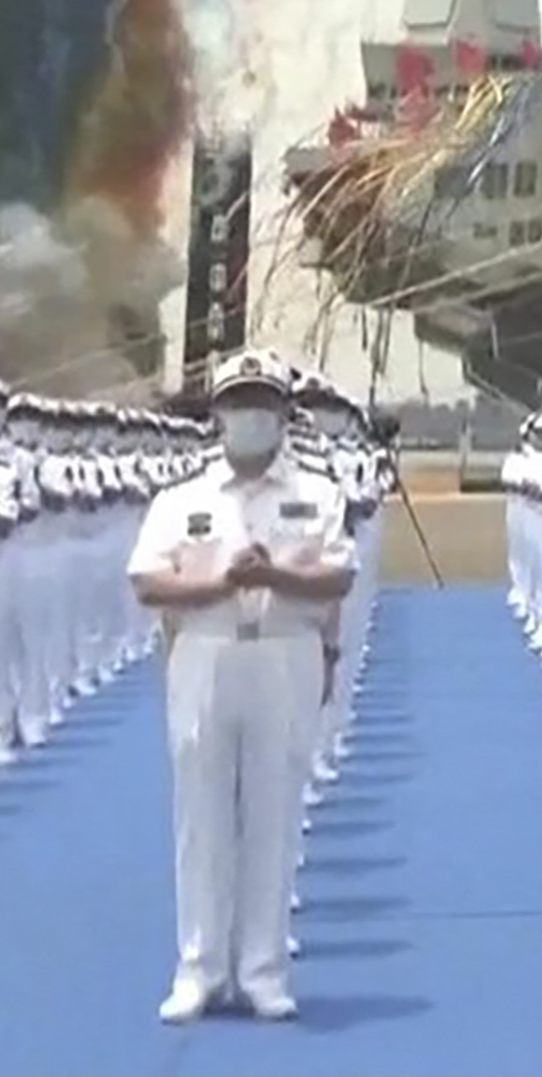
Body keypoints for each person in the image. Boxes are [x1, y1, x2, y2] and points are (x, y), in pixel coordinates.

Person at [128, 352, 357, 1023]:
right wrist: (220, 584)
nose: (251, 415)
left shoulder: (319, 493)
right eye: (239, 403)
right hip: (206, 650)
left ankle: (262, 970)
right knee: (200, 816)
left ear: (284, 415)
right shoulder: (181, 499)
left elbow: (339, 577)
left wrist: (274, 578)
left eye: (263, 403)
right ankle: (198, 968)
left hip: (285, 652)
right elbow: (147, 581)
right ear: (218, 415)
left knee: (273, 814)